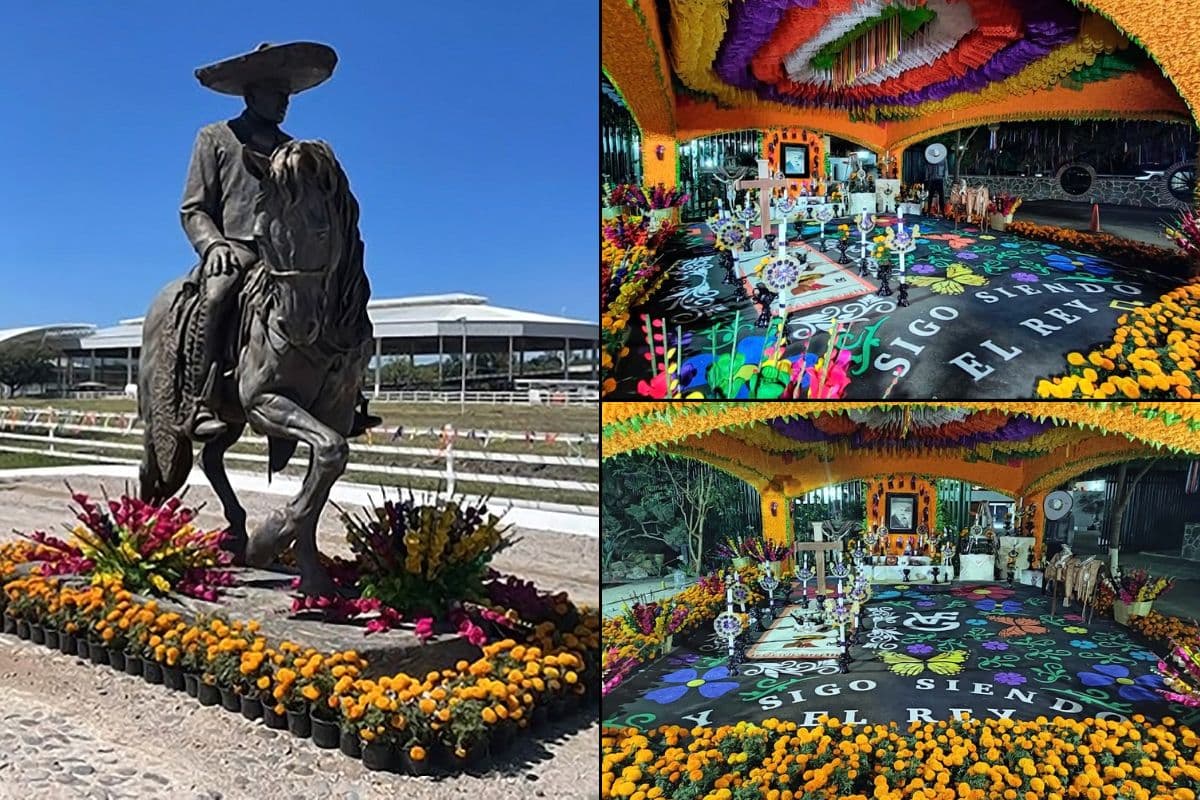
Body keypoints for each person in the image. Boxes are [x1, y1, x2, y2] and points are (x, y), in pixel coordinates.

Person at [181, 42, 381, 440]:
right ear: (252, 93)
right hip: (236, 248)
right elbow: (193, 208)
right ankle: (197, 400)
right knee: (218, 294)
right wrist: (213, 245)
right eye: (278, 94)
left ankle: (347, 393)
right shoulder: (215, 137)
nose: (285, 103)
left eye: (288, 96)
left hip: (286, 251)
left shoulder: (293, 151)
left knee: (340, 294)